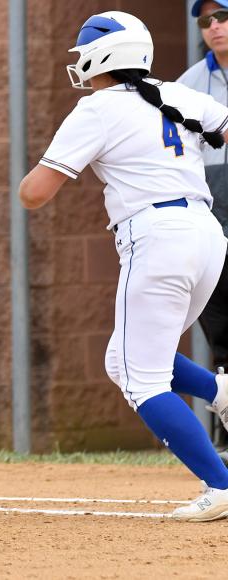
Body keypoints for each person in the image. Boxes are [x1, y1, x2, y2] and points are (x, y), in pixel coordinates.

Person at [19, 11, 228, 521]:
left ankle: (221, 486)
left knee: (142, 379)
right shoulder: (179, 94)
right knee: (126, 359)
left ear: (104, 55)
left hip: (158, 240)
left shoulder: (97, 109)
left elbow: (33, 195)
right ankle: (223, 392)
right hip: (206, 234)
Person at [178, 0, 228, 447]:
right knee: (220, 327)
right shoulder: (188, 84)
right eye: (206, 21)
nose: (215, 27)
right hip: (213, 217)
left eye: (224, 16)